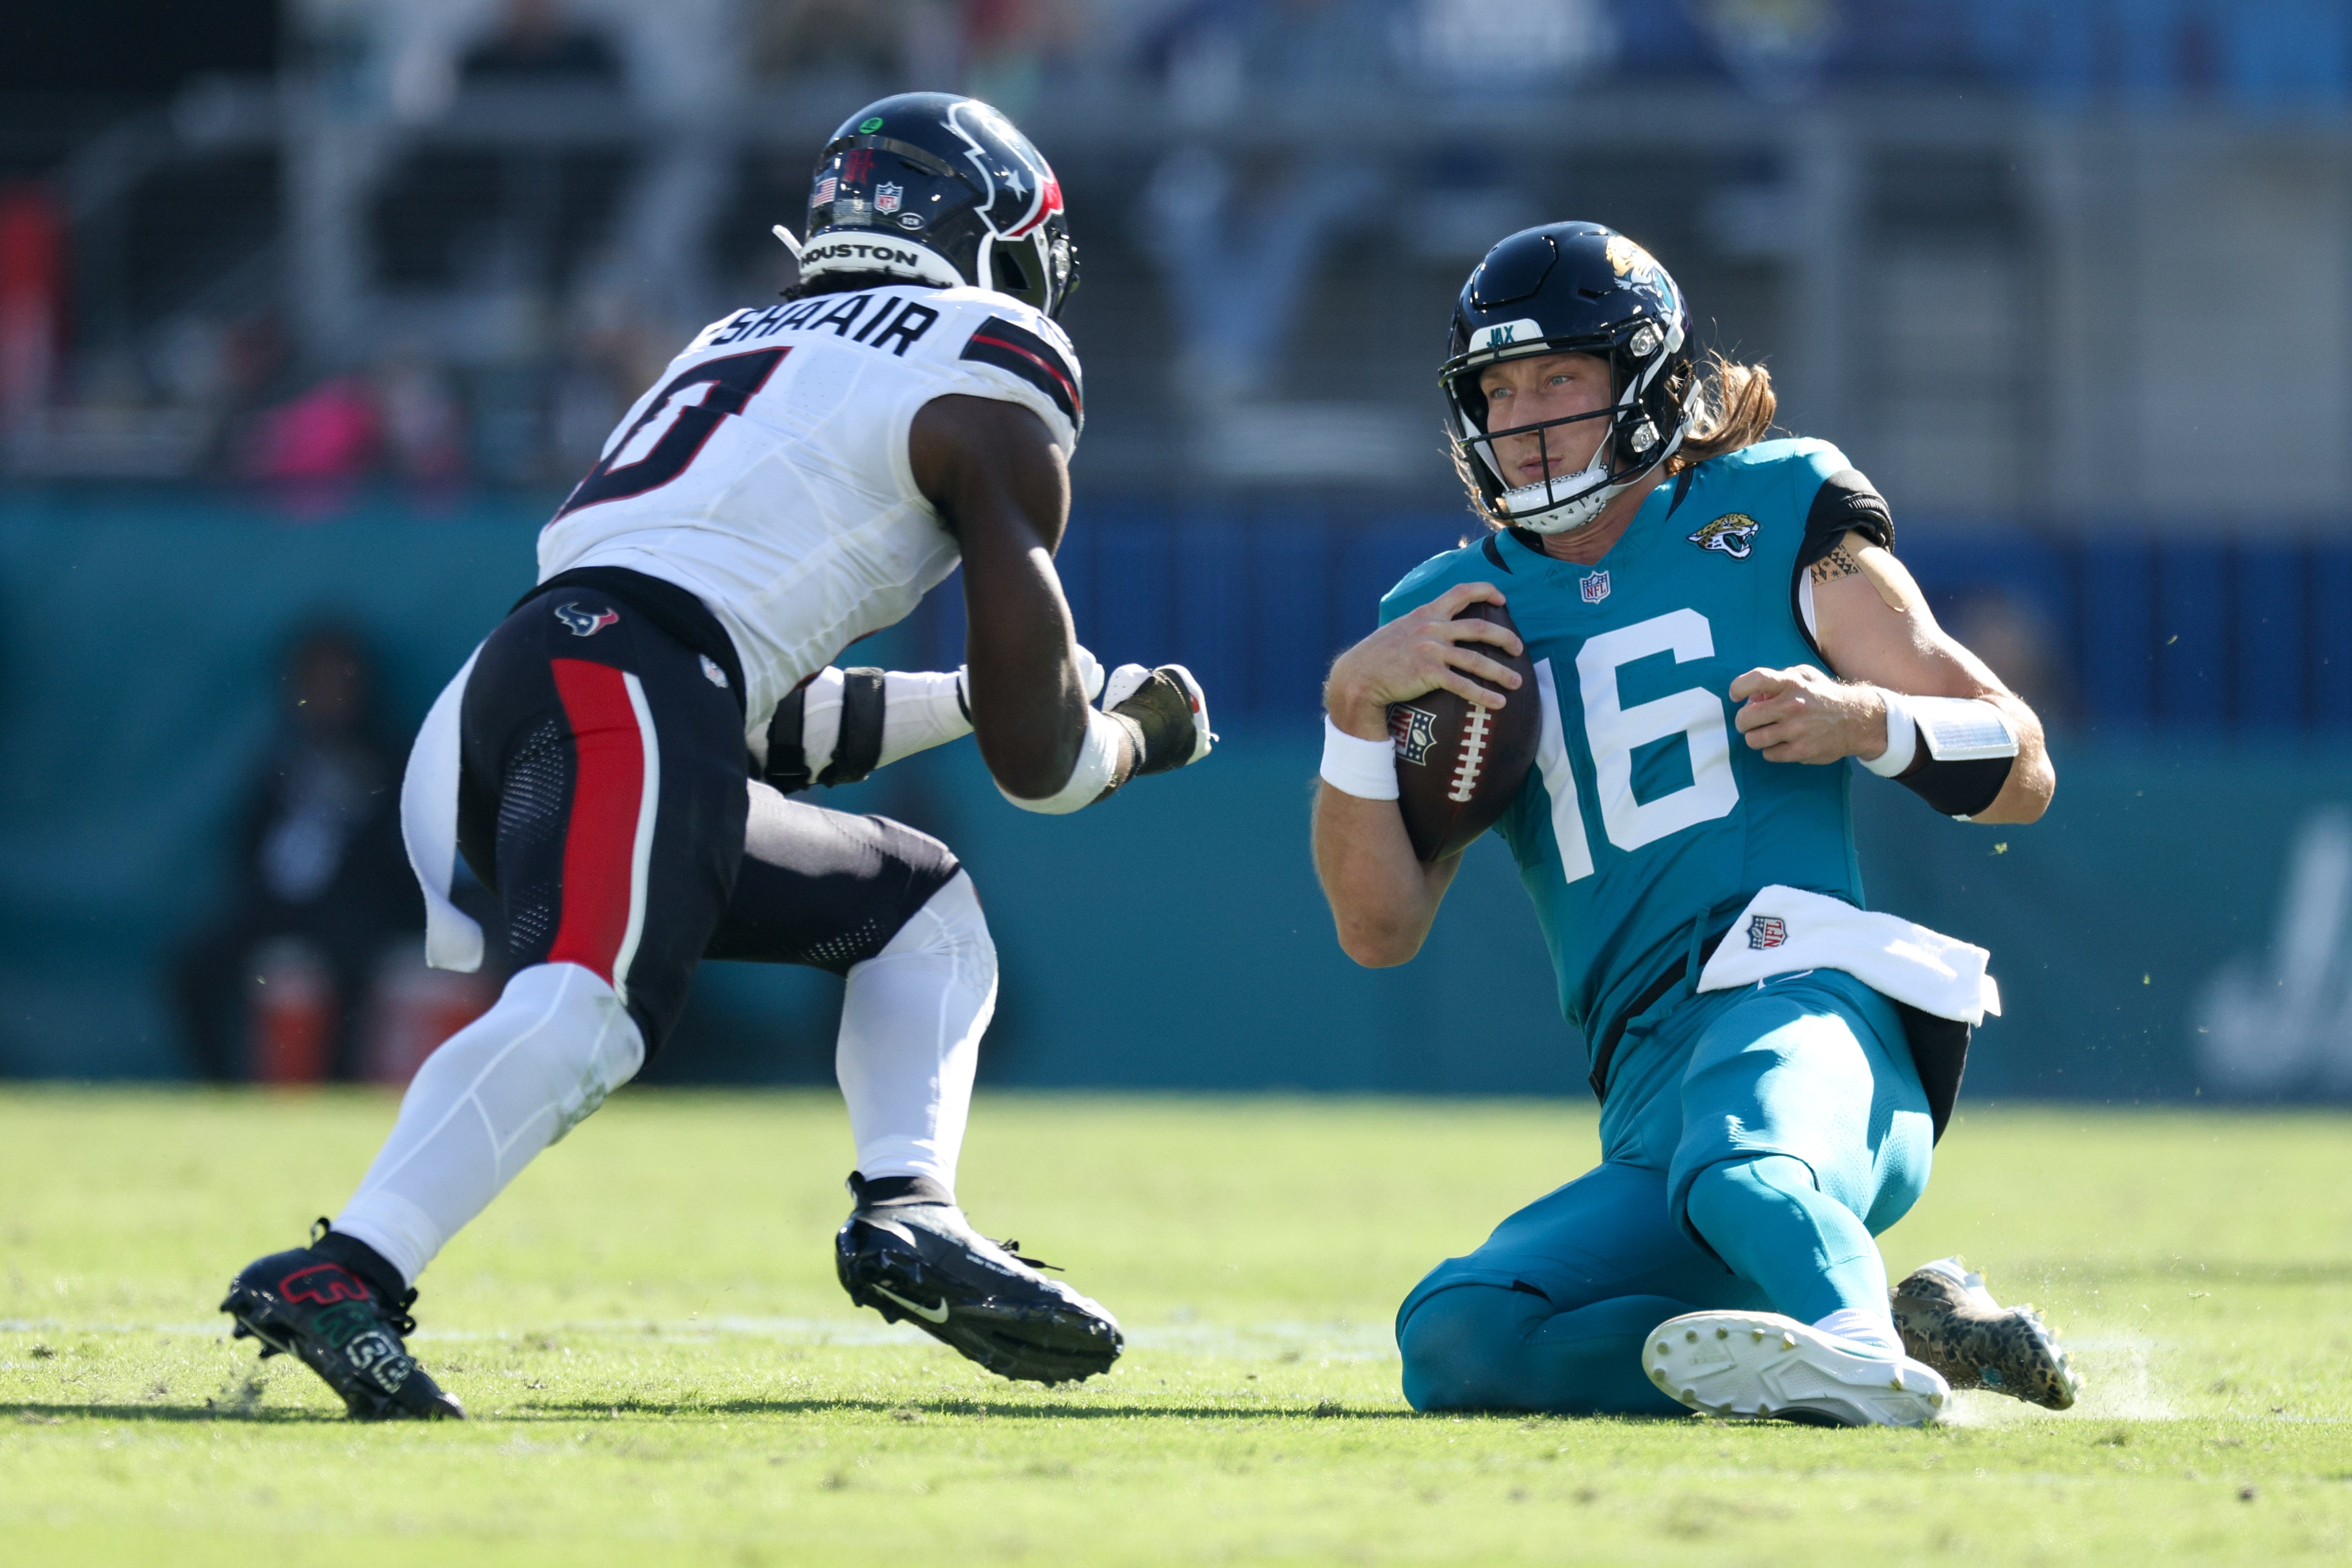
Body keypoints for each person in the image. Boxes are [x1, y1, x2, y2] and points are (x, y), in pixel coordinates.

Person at [219, 92, 1213, 1420]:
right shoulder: (993, 355)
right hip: (629, 679)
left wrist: (976, 698)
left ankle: (909, 1209)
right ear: (995, 245)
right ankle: (351, 1268)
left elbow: (761, 724)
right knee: (586, 1010)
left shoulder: (741, 337)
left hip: (559, 677)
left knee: (918, 906)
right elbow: (1043, 768)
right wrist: (1135, 736)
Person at [1311, 222, 2078, 1426]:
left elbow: (2022, 764)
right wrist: (1355, 710)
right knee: (1459, 1335)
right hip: (1651, 1102)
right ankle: (1901, 1340)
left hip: (1812, 1009)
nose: (1524, 416)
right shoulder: (1446, 615)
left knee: (1746, 1169)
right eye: (1498, 388)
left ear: (1648, 379)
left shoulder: (1776, 509)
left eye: (1559, 376)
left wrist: (1865, 719)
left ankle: (1858, 1355)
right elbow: (1379, 928)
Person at [171, 625, 418, 1082]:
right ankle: (218, 1085)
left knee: (351, 967)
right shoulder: (283, 757)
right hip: (276, 908)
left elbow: (403, 851)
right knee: (195, 966)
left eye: (338, 680)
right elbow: (249, 840)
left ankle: (335, 1089)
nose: (326, 694)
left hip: (358, 910)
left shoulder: (391, 758)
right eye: (313, 681)